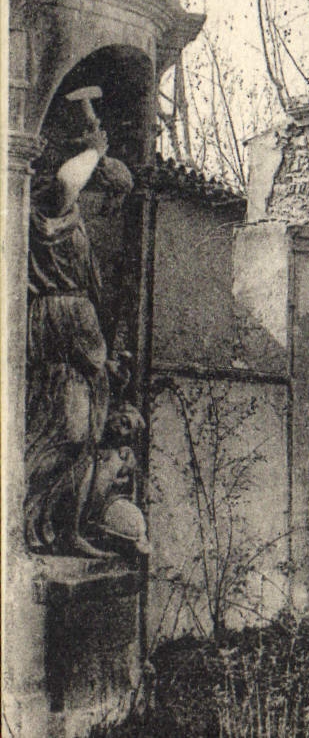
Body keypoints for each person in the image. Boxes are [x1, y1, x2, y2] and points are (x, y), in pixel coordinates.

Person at [25, 98, 135, 555]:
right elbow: (66, 186)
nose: (111, 207)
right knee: (67, 435)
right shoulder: (52, 206)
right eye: (109, 196)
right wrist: (94, 149)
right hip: (60, 328)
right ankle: (31, 521)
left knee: (85, 439)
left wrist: (106, 358)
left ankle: (67, 530)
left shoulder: (78, 225)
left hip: (77, 336)